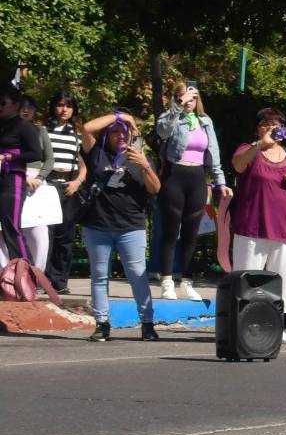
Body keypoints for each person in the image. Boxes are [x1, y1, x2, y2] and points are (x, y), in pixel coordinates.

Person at [73, 109, 161, 340]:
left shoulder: (139, 158)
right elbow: (87, 128)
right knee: (99, 276)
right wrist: (121, 117)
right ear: (107, 136)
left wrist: (145, 165)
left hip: (131, 226)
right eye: (115, 132)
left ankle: (147, 323)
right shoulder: (97, 154)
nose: (121, 136)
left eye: (125, 132)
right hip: (97, 225)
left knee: (136, 274)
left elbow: (155, 189)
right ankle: (102, 323)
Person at [229, 107, 286, 335]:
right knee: (247, 281)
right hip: (252, 229)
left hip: (285, 229)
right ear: (258, 129)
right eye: (266, 125)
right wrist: (260, 144)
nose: (271, 129)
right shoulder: (249, 149)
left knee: (281, 282)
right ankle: (242, 328)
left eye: (276, 125)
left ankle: (276, 329)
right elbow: (238, 165)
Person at [150, 78, 227, 302]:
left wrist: (220, 181)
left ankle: (187, 280)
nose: (190, 101)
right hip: (175, 175)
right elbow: (163, 132)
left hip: (197, 178)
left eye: (193, 97)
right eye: (185, 96)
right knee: (171, 231)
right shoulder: (170, 117)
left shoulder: (205, 121)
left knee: (192, 234)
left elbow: (213, 152)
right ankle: (166, 280)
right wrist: (177, 107)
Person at [40, 90, 84, 292]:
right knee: (44, 234)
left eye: (68, 105)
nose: (64, 109)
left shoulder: (77, 133)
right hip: (47, 185)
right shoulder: (43, 131)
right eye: (60, 105)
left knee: (65, 236)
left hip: (69, 185)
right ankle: (42, 280)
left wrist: (77, 182)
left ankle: (60, 281)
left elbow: (84, 165)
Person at [0, 81, 43, 264]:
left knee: (11, 225)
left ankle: (22, 270)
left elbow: (36, 153)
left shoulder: (24, 126)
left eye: (3, 103)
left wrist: (8, 158)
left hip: (13, 180)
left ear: (16, 105)